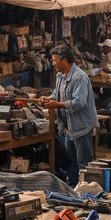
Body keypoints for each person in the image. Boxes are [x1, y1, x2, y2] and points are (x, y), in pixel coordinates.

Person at [42, 45, 98, 187]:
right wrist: (49, 98)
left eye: (55, 60)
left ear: (64, 60)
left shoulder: (79, 77)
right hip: (69, 127)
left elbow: (79, 103)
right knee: (70, 162)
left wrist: (57, 105)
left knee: (83, 162)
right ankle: (73, 188)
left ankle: (86, 190)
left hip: (82, 126)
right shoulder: (61, 76)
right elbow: (57, 93)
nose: (53, 63)